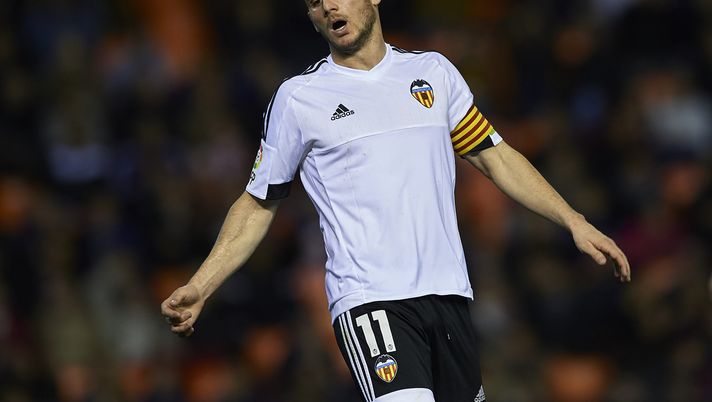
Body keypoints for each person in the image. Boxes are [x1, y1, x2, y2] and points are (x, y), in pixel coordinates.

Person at [161, 1, 631, 401]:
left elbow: (495, 157)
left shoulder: (432, 73)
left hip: (449, 295)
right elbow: (257, 203)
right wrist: (202, 285)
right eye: (314, 1)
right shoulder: (299, 99)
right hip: (371, 300)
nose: (328, 6)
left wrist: (573, 220)